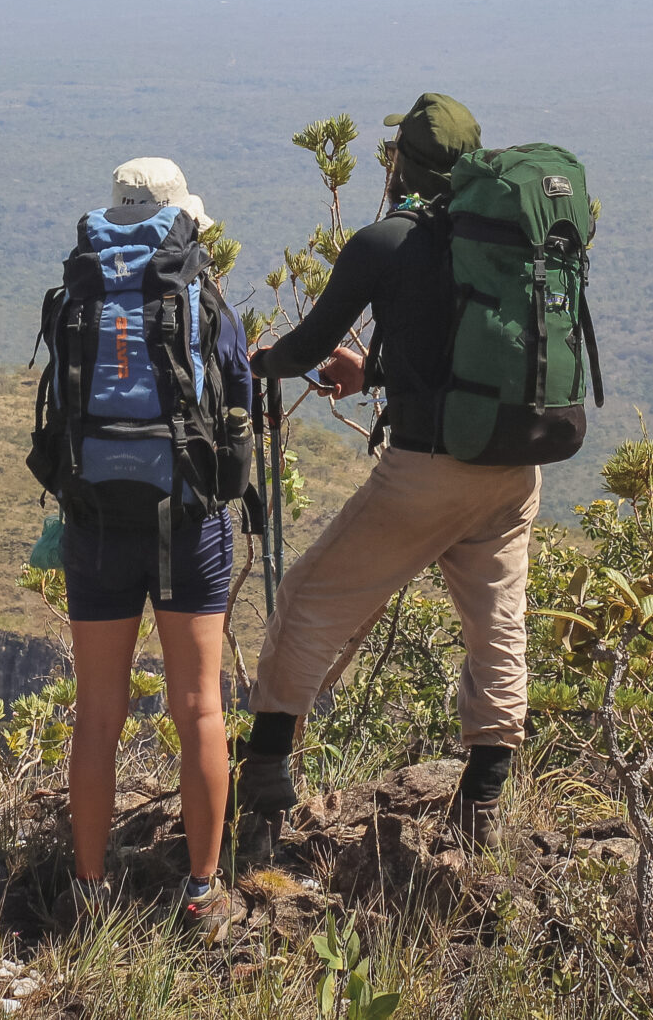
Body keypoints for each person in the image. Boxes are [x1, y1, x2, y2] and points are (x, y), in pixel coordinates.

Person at [238, 93, 534, 834]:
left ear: (401, 161)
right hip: (514, 464)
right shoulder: (504, 236)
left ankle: (267, 773)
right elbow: (463, 350)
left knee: (308, 597)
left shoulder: (386, 241)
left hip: (429, 470)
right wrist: (370, 373)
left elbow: (303, 348)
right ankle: (485, 799)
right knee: (497, 621)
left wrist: (267, 362)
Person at [56, 160, 244, 933]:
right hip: (187, 520)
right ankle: (201, 891)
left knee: (98, 711)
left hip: (96, 515)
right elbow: (235, 391)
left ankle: (90, 890)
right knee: (200, 705)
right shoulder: (201, 292)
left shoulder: (81, 289)